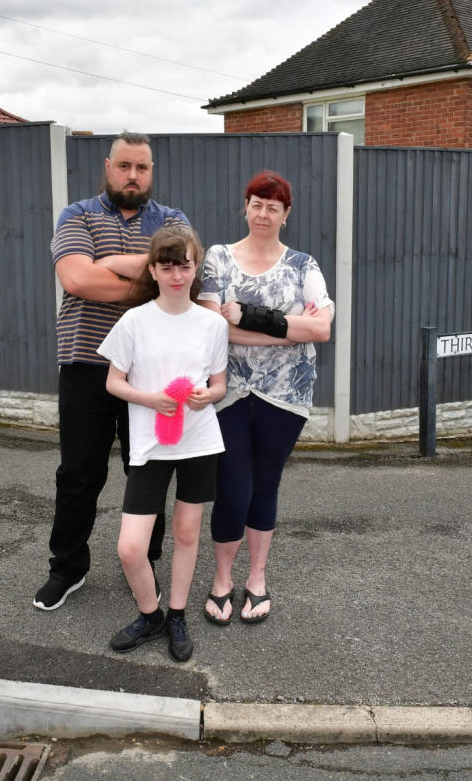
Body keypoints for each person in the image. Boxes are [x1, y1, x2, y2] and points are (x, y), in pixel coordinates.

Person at [35, 132, 190, 612]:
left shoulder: (172, 221)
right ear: (108, 166)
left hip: (150, 371)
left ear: (151, 171)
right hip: (86, 364)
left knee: (147, 470)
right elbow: (77, 278)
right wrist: (151, 282)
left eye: (141, 167)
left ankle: (140, 561)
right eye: (124, 166)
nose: (132, 176)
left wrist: (115, 269)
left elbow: (181, 278)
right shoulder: (77, 215)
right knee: (79, 473)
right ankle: (68, 567)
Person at [198, 170, 333, 625]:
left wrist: (253, 320)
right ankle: (221, 579)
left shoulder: (304, 265)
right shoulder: (218, 257)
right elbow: (212, 326)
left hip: (285, 395)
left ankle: (256, 578)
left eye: (273, 206)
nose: (262, 213)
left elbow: (322, 329)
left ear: (285, 214)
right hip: (228, 392)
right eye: (256, 203)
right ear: (245, 206)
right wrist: (289, 332)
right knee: (232, 487)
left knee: (265, 485)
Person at [97, 225, 228, 661]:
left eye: (185, 265)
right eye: (167, 265)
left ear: (196, 269)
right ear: (152, 269)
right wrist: (149, 398)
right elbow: (114, 382)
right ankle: (150, 613)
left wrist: (208, 395)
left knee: (187, 532)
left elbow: (220, 385)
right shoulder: (134, 321)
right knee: (131, 547)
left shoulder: (211, 324)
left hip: (199, 442)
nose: (176, 274)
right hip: (150, 447)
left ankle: (176, 615)